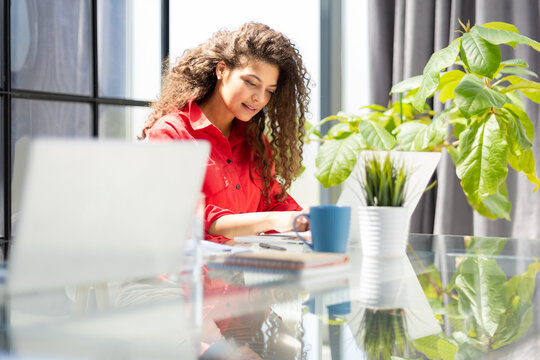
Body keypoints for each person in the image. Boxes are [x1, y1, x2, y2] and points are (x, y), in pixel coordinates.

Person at [141, 22, 311, 244]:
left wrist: (305, 217)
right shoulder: (171, 133)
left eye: (269, 91)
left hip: (240, 273)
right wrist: (271, 220)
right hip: (186, 275)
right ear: (222, 70)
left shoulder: (254, 142)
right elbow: (188, 216)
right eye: (251, 83)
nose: (259, 98)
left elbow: (272, 203)